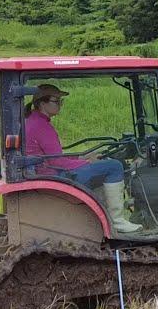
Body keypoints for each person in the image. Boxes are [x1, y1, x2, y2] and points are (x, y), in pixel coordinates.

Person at [24, 84, 141, 233]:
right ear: (42, 103)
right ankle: (117, 221)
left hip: (48, 171)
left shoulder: (34, 120)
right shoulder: (41, 126)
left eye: (61, 101)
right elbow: (58, 162)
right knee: (114, 166)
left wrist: (82, 156)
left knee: (104, 166)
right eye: (57, 101)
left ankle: (102, 216)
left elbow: (54, 155)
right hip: (55, 175)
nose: (60, 105)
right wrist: (87, 161)